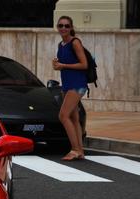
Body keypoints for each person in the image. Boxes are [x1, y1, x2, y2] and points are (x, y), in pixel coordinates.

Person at [53, 15, 88, 161]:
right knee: (73, 117)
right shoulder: (61, 45)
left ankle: (75, 149)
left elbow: (84, 64)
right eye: (60, 25)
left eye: (66, 26)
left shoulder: (75, 43)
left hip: (78, 84)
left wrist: (63, 65)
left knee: (63, 115)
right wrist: (57, 65)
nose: (63, 28)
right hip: (67, 84)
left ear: (71, 28)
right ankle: (80, 151)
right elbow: (62, 65)